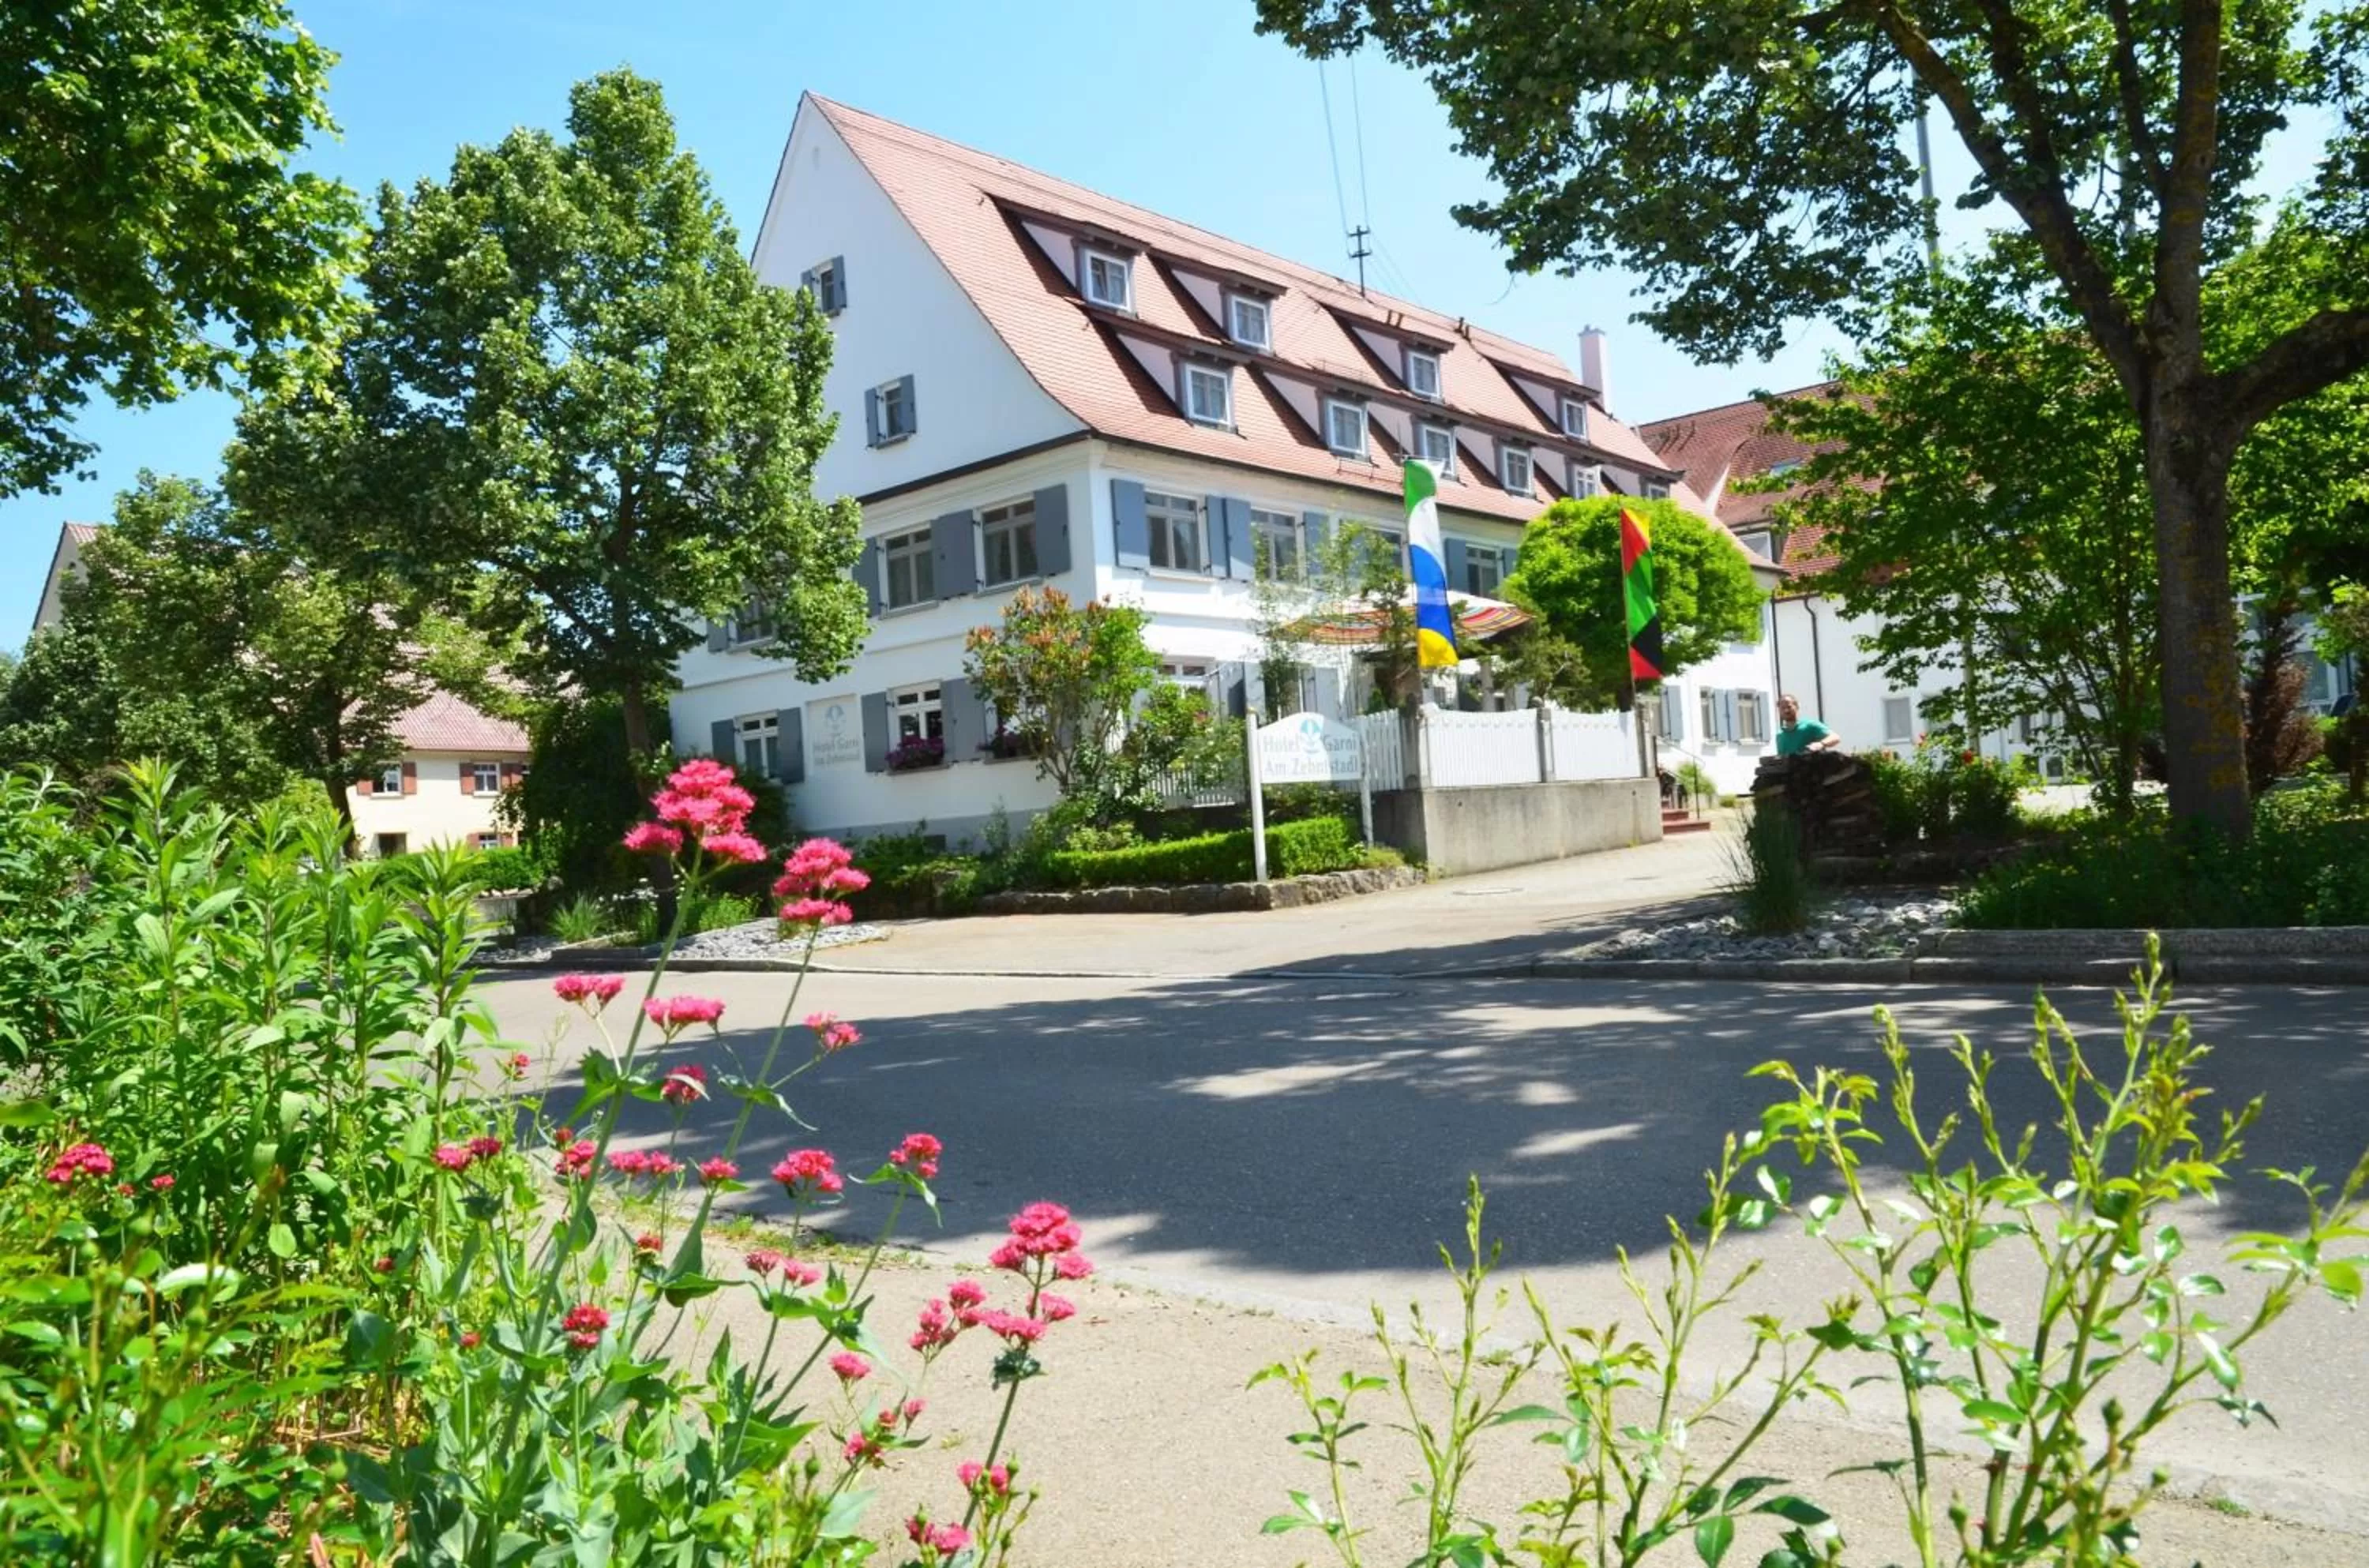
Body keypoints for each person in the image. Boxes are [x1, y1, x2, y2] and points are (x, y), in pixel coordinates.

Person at [1774, 693, 1840, 756]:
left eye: (1789, 707)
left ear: (1797, 707)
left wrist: (1821, 744)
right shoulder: (1780, 735)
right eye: (1783, 708)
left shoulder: (1809, 725)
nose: (1786, 710)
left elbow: (1835, 737)